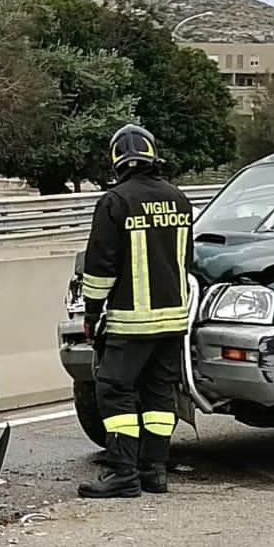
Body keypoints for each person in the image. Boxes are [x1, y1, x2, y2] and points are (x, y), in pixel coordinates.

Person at [78, 123, 195, 498]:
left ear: (117, 160)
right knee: (160, 394)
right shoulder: (179, 199)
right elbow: (186, 260)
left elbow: (99, 268)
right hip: (174, 319)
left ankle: (123, 474)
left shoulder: (115, 202)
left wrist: (92, 313)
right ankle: (155, 471)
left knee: (115, 390)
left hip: (131, 322)